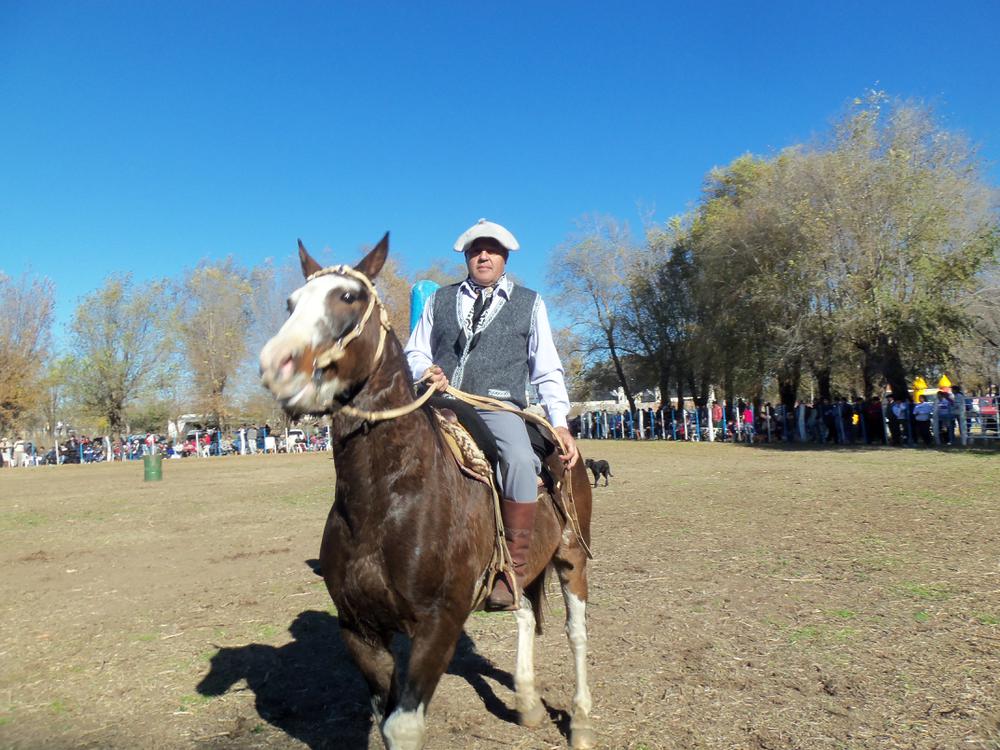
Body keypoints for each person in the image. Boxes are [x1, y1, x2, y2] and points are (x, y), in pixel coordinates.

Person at [404, 218, 578, 611]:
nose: (484, 255)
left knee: (517, 459)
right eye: (476, 249)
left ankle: (513, 569)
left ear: (505, 258)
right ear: (466, 256)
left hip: (496, 406)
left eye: (492, 249)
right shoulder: (439, 300)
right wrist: (423, 370)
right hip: (438, 399)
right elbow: (414, 351)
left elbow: (547, 368)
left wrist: (561, 422)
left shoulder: (529, 303)